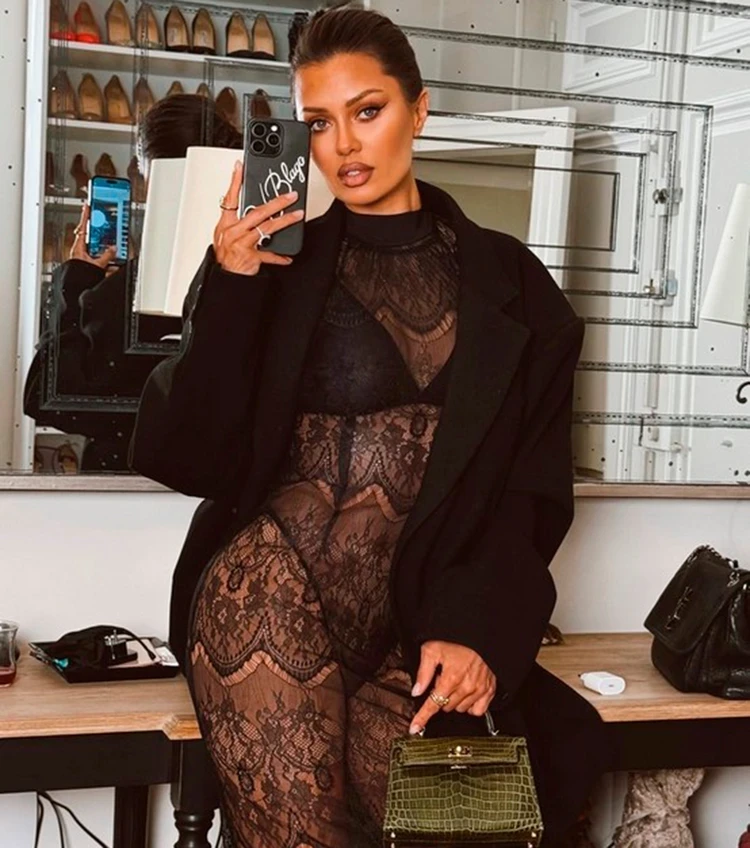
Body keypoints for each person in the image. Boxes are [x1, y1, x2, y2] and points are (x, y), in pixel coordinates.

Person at [130, 8, 611, 848]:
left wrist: (478, 627)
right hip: (266, 598)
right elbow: (187, 453)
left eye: (368, 110)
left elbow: (531, 493)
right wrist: (233, 284)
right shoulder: (273, 266)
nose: (345, 144)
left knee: (462, 825)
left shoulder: (514, 285)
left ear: (418, 110)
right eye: (318, 122)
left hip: (418, 621)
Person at [24, 95, 241, 471]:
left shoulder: (116, 297)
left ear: (151, 175)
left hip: (126, 484)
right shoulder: (259, 274)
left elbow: (48, 396)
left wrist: (76, 279)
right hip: (222, 483)